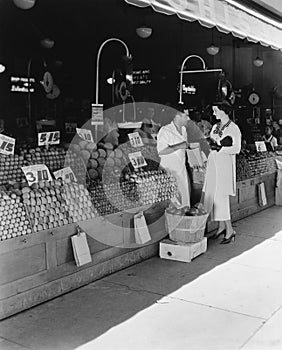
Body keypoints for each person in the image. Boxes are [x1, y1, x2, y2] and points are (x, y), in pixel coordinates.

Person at [203, 101, 241, 244]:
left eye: (216, 110)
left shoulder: (234, 128)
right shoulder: (215, 127)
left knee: (222, 197)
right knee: (215, 197)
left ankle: (230, 230)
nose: (213, 113)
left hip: (224, 165)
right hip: (213, 163)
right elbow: (212, 142)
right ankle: (221, 227)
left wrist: (221, 149)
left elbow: (236, 148)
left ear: (223, 111)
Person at [157, 106, 191, 206]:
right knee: (173, 204)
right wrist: (180, 145)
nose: (188, 119)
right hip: (169, 172)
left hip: (181, 170)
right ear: (177, 116)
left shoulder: (184, 130)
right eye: (186, 116)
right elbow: (161, 151)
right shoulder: (165, 130)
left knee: (184, 202)